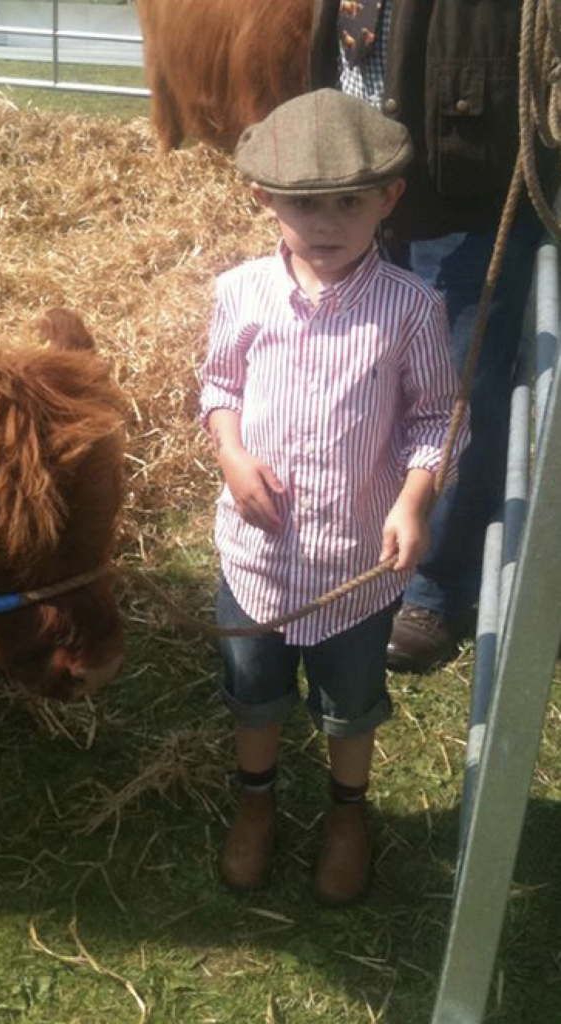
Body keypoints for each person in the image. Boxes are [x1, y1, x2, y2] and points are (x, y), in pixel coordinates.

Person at [199, 88, 467, 902]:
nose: (327, 223)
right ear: (264, 199)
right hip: (258, 558)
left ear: (389, 198)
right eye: (305, 203)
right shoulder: (240, 292)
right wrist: (232, 455)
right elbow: (219, 386)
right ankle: (256, 802)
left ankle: (347, 813)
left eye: (350, 202)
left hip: (357, 565)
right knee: (255, 689)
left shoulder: (412, 308)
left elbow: (436, 417)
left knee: (351, 701)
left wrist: (413, 501)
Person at [310, 0, 553, 672]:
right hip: (360, 172)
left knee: (457, 381)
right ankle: (375, 542)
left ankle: (435, 587)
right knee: (368, 360)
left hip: (466, 176)